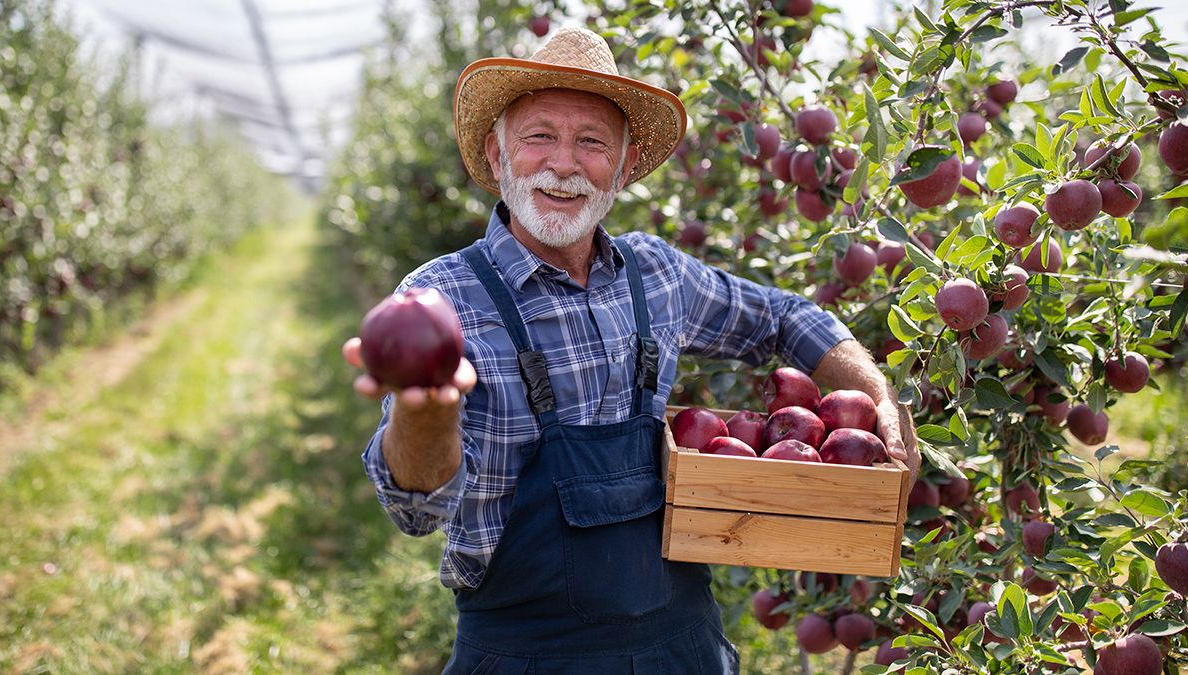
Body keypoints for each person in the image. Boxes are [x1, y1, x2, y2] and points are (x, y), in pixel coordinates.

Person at [341, 26, 920, 675]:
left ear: (623, 164)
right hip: (527, 655)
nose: (563, 163)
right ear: (496, 154)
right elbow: (415, 510)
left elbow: (785, 317)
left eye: (592, 142)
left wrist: (877, 396)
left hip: (682, 647)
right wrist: (425, 414)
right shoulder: (441, 301)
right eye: (539, 137)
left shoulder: (657, 274)